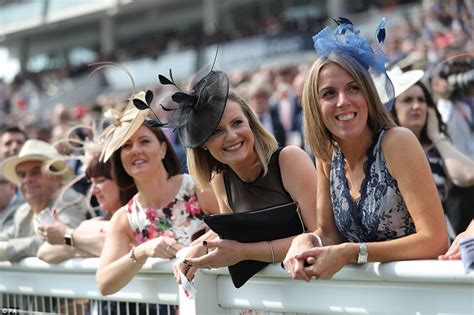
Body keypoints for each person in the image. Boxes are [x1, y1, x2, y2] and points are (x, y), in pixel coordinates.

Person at [283, 18, 447, 281]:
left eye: (353, 88)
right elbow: (329, 233)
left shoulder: (397, 143)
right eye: (328, 94)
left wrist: (353, 253)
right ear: (315, 107)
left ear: (368, 95)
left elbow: (435, 240)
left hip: (422, 293)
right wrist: (306, 239)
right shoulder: (327, 156)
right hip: (367, 300)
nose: (343, 102)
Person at [154, 68, 316, 284]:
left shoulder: (289, 160)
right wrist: (193, 251)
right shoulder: (220, 181)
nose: (231, 136)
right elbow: (231, 236)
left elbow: (321, 236)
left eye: (237, 123)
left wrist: (244, 252)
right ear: (202, 144)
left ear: (251, 122)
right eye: (216, 131)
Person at [95, 93, 219, 296]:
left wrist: (198, 247)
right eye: (126, 145)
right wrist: (142, 251)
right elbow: (104, 284)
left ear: (162, 149)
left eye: (144, 141)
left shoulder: (197, 188)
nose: (135, 150)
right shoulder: (125, 218)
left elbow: (235, 225)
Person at [389, 67, 474, 239]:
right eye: (407, 100)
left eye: (422, 100)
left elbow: (468, 175)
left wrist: (436, 136)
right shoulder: (384, 150)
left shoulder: (436, 147)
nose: (417, 106)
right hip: (400, 245)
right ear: (392, 109)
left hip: (440, 242)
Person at [37, 152, 135, 263]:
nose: (93, 191)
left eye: (100, 181)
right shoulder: (92, 224)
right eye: (92, 183)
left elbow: (119, 247)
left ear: (122, 180)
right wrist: (82, 245)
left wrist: (68, 236)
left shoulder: (138, 220)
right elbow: (44, 252)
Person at [0, 139, 87, 262]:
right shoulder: (24, 211)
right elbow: (7, 237)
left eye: (35, 172)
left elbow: (66, 240)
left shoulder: (69, 200)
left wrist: (8, 249)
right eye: (21, 175)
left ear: (56, 177)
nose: (27, 180)